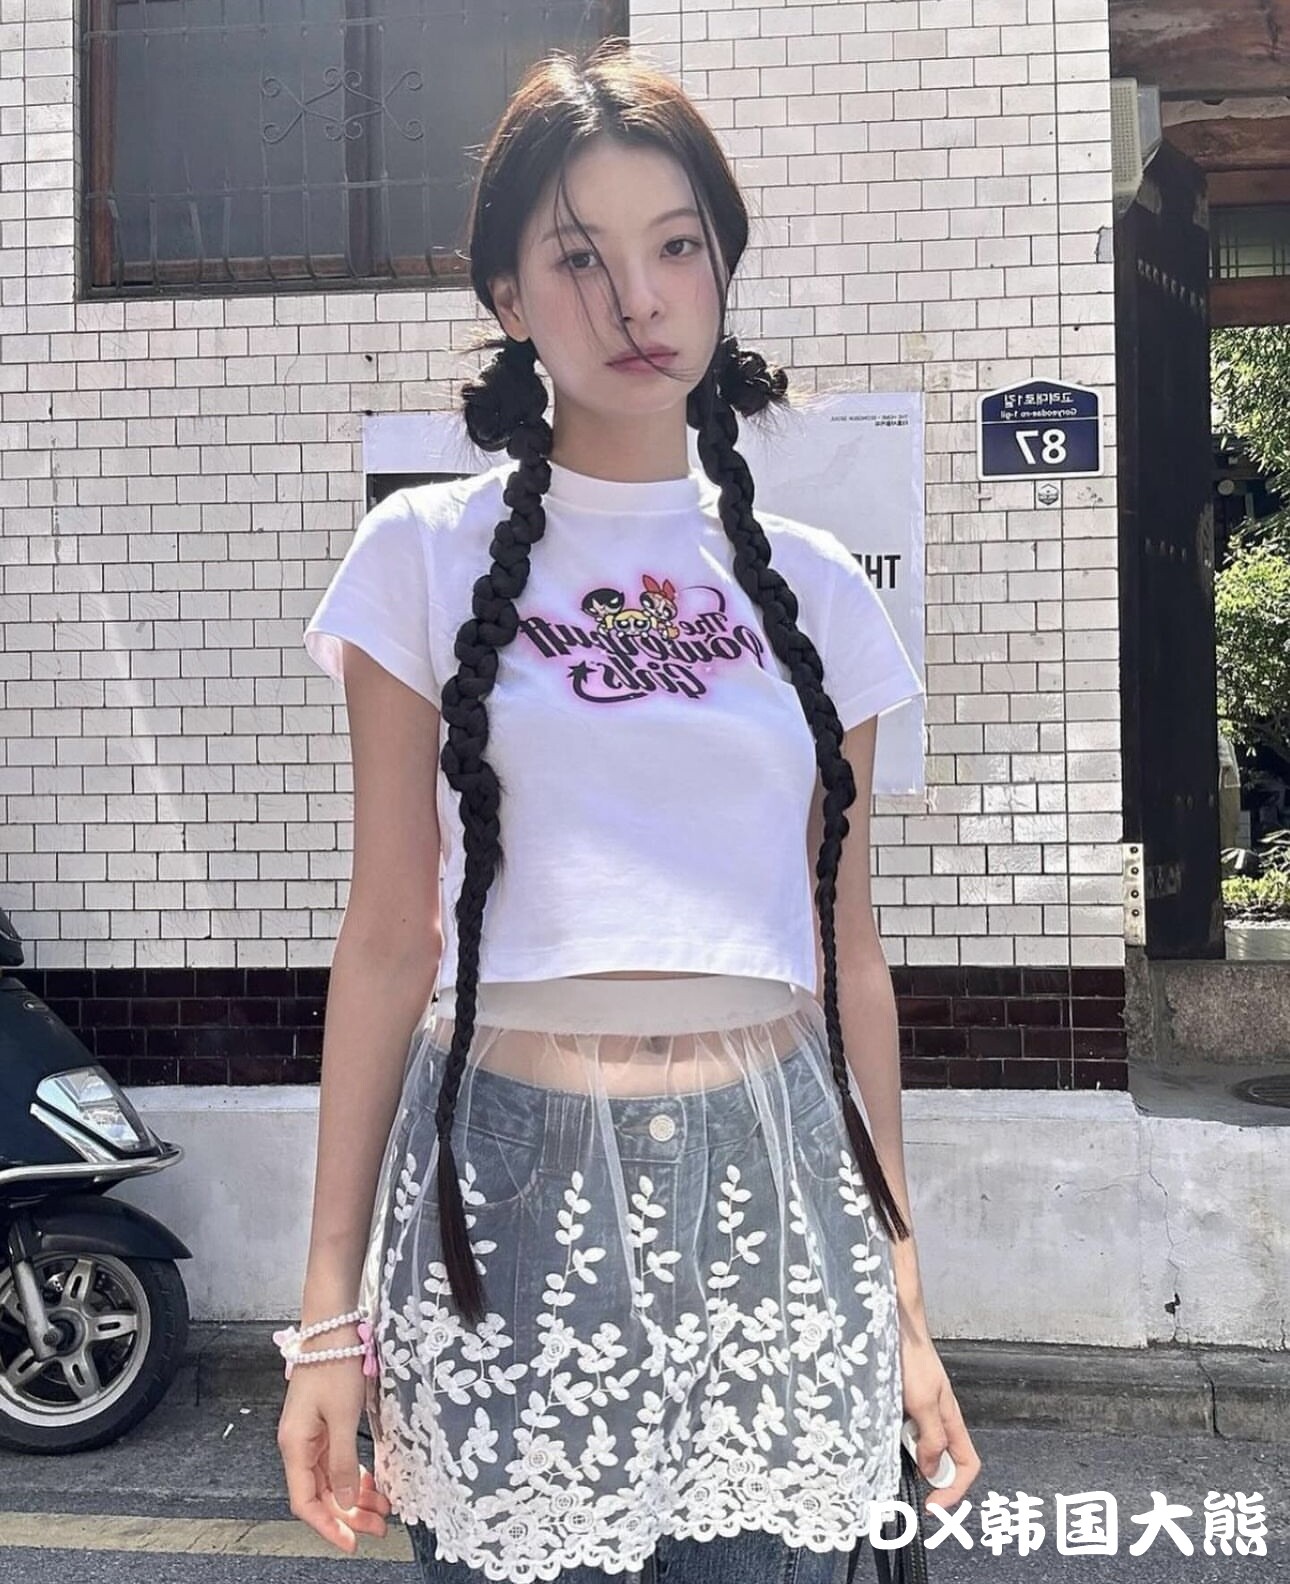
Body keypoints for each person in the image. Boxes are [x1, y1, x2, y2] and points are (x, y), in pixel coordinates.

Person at [277, 39, 981, 1584]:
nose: (636, 302)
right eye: (579, 259)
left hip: (777, 1177)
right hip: (502, 1181)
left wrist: (905, 1294)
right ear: (507, 296)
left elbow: (846, 958)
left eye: (675, 249)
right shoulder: (419, 558)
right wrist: (326, 1318)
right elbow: (387, 939)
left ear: (721, 270)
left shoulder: (815, 589)